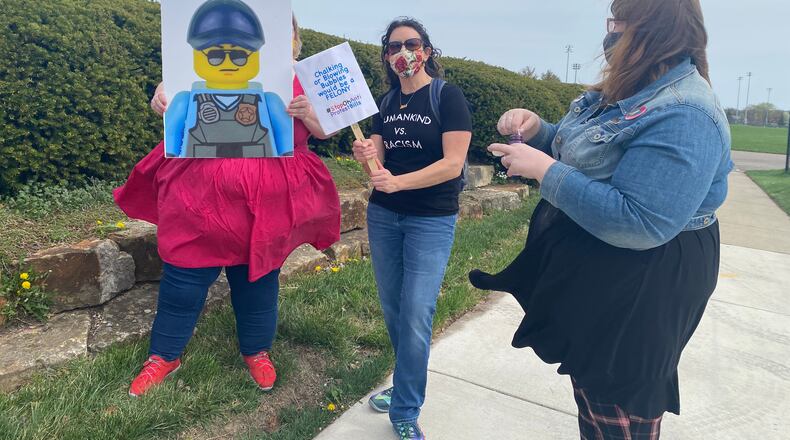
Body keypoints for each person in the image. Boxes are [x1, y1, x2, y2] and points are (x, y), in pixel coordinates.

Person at [468, 0, 732, 438]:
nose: (611, 35)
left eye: (621, 23)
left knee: (620, 405)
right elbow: (597, 156)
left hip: (646, 279)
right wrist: (540, 132)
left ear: (654, 31)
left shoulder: (686, 113)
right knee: (594, 393)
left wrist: (543, 170)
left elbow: (641, 221)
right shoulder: (633, 89)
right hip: (606, 266)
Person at [117, 14, 341, 397]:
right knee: (183, 280)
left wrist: (310, 115)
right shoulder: (192, 70)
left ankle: (256, 351)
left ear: (293, 38)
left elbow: (328, 129)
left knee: (258, 280)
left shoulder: (303, 79)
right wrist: (161, 95)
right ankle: (164, 356)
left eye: (283, 30)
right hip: (197, 199)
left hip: (264, 204)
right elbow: (172, 92)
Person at [352, 17, 472, 440]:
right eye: (395, 46)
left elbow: (453, 164)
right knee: (395, 310)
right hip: (384, 216)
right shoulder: (385, 104)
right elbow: (377, 167)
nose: (405, 52)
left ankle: (405, 409)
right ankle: (404, 384)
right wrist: (365, 154)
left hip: (430, 219)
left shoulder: (447, 97)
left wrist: (399, 182)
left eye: (413, 43)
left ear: (427, 49)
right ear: (386, 56)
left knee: (418, 312)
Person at [165, 0, 293, 158]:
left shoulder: (269, 102)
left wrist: (287, 159)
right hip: (200, 172)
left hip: (255, 173)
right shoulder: (184, 101)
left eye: (239, 56)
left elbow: (285, 136)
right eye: (215, 55)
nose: (227, 63)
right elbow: (171, 135)